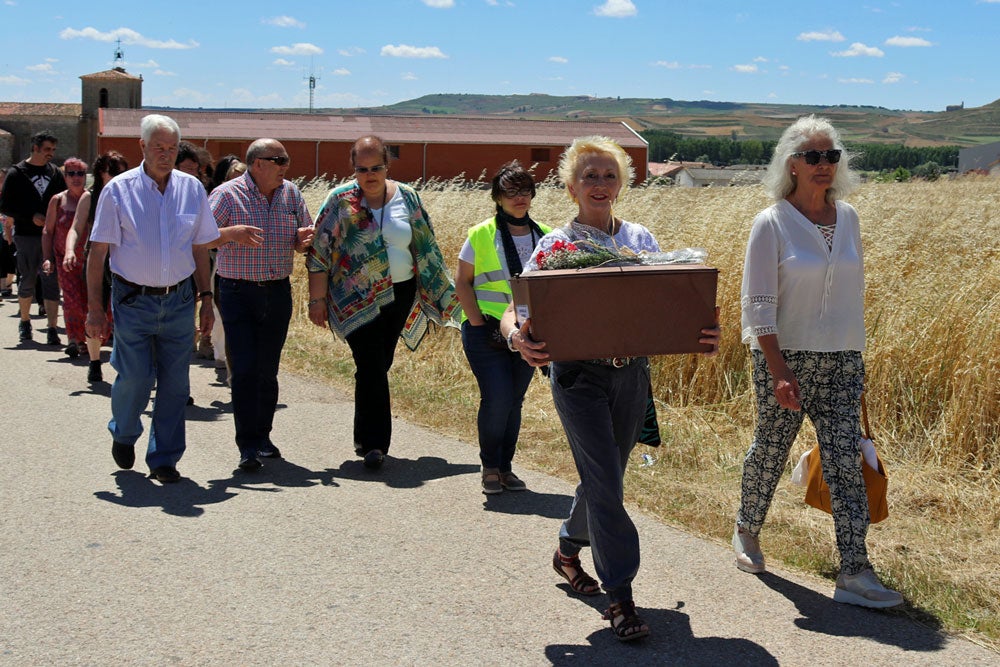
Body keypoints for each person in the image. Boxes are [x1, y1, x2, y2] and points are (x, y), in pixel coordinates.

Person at [500, 136, 720, 642]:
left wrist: (702, 334)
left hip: (631, 376)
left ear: (622, 182)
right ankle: (620, 597)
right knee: (604, 483)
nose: (600, 185)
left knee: (606, 479)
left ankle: (566, 550)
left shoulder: (641, 239)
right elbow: (519, 306)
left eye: (609, 176)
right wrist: (516, 336)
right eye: (589, 177)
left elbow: (669, 304)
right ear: (571, 186)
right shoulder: (555, 245)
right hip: (578, 377)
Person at [734, 115, 903, 608]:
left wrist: (854, 355)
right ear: (792, 164)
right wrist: (778, 368)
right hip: (784, 358)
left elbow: (853, 291)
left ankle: (854, 570)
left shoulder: (848, 217)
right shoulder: (771, 222)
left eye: (831, 156)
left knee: (846, 460)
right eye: (813, 157)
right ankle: (747, 528)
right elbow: (757, 302)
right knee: (771, 447)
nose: (824, 165)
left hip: (843, 359)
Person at [85, 114, 262, 484]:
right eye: (158, 148)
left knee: (175, 383)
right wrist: (96, 309)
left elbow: (199, 246)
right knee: (134, 377)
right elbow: (98, 253)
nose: (165, 155)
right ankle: (124, 430)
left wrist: (206, 298)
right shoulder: (118, 191)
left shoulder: (192, 189)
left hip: (179, 299)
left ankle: (164, 457)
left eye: (170, 149)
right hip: (133, 299)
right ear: (143, 148)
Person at [307, 135, 460, 470]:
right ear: (354, 169)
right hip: (355, 299)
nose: (369, 175)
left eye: (376, 167)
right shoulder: (338, 200)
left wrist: (440, 289)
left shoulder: (408, 197)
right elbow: (318, 252)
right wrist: (316, 299)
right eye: (362, 169)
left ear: (387, 166)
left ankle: (368, 438)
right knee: (370, 364)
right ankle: (374, 445)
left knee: (379, 363)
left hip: (400, 294)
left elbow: (426, 243)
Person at [209, 139, 314, 472]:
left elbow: (302, 235)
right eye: (278, 159)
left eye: (286, 159)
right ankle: (247, 446)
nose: (285, 165)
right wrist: (231, 233)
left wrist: (302, 241)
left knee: (268, 370)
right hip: (237, 292)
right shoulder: (227, 194)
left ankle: (263, 437)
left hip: (277, 291)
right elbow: (199, 236)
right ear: (257, 164)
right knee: (244, 369)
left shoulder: (291, 194)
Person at [455, 161, 550, 494]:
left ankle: (506, 469)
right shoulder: (481, 234)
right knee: (497, 399)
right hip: (486, 331)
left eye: (525, 190)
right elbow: (462, 283)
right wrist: (479, 324)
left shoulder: (546, 235)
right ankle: (490, 467)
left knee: (514, 401)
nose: (519, 198)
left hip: (527, 333)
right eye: (511, 192)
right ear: (497, 197)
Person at [64, 151, 129, 382]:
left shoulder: (130, 196)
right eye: (115, 172)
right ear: (102, 173)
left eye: (123, 171)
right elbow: (76, 227)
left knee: (125, 315)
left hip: (124, 261)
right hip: (97, 262)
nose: (120, 176)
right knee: (94, 310)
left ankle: (128, 366)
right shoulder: (90, 197)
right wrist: (70, 250)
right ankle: (94, 361)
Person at [0, 131, 66, 343]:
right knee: (27, 279)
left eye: (53, 150)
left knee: (51, 281)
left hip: (51, 237)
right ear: (35, 148)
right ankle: (25, 321)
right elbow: (6, 206)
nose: (51, 154)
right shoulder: (17, 173)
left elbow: (63, 202)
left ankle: (52, 328)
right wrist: (30, 216)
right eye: (47, 149)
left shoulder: (55, 173)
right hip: (27, 235)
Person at [41, 157, 89, 357]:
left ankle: (88, 337)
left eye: (80, 174)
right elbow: (48, 231)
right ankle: (74, 339)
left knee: (87, 301)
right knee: (70, 300)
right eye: (71, 174)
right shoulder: (57, 200)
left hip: (89, 261)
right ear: (65, 176)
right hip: (64, 260)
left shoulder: (91, 198)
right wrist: (48, 257)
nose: (76, 178)